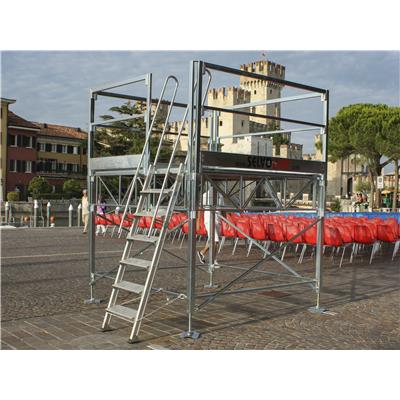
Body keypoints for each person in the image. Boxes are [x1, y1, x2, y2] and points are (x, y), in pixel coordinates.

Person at [197, 187, 224, 265]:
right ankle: (213, 260)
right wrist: (198, 221)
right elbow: (200, 208)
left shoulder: (220, 195)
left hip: (218, 220)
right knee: (216, 241)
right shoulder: (205, 195)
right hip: (209, 219)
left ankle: (202, 252)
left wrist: (224, 220)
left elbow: (223, 209)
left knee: (212, 240)